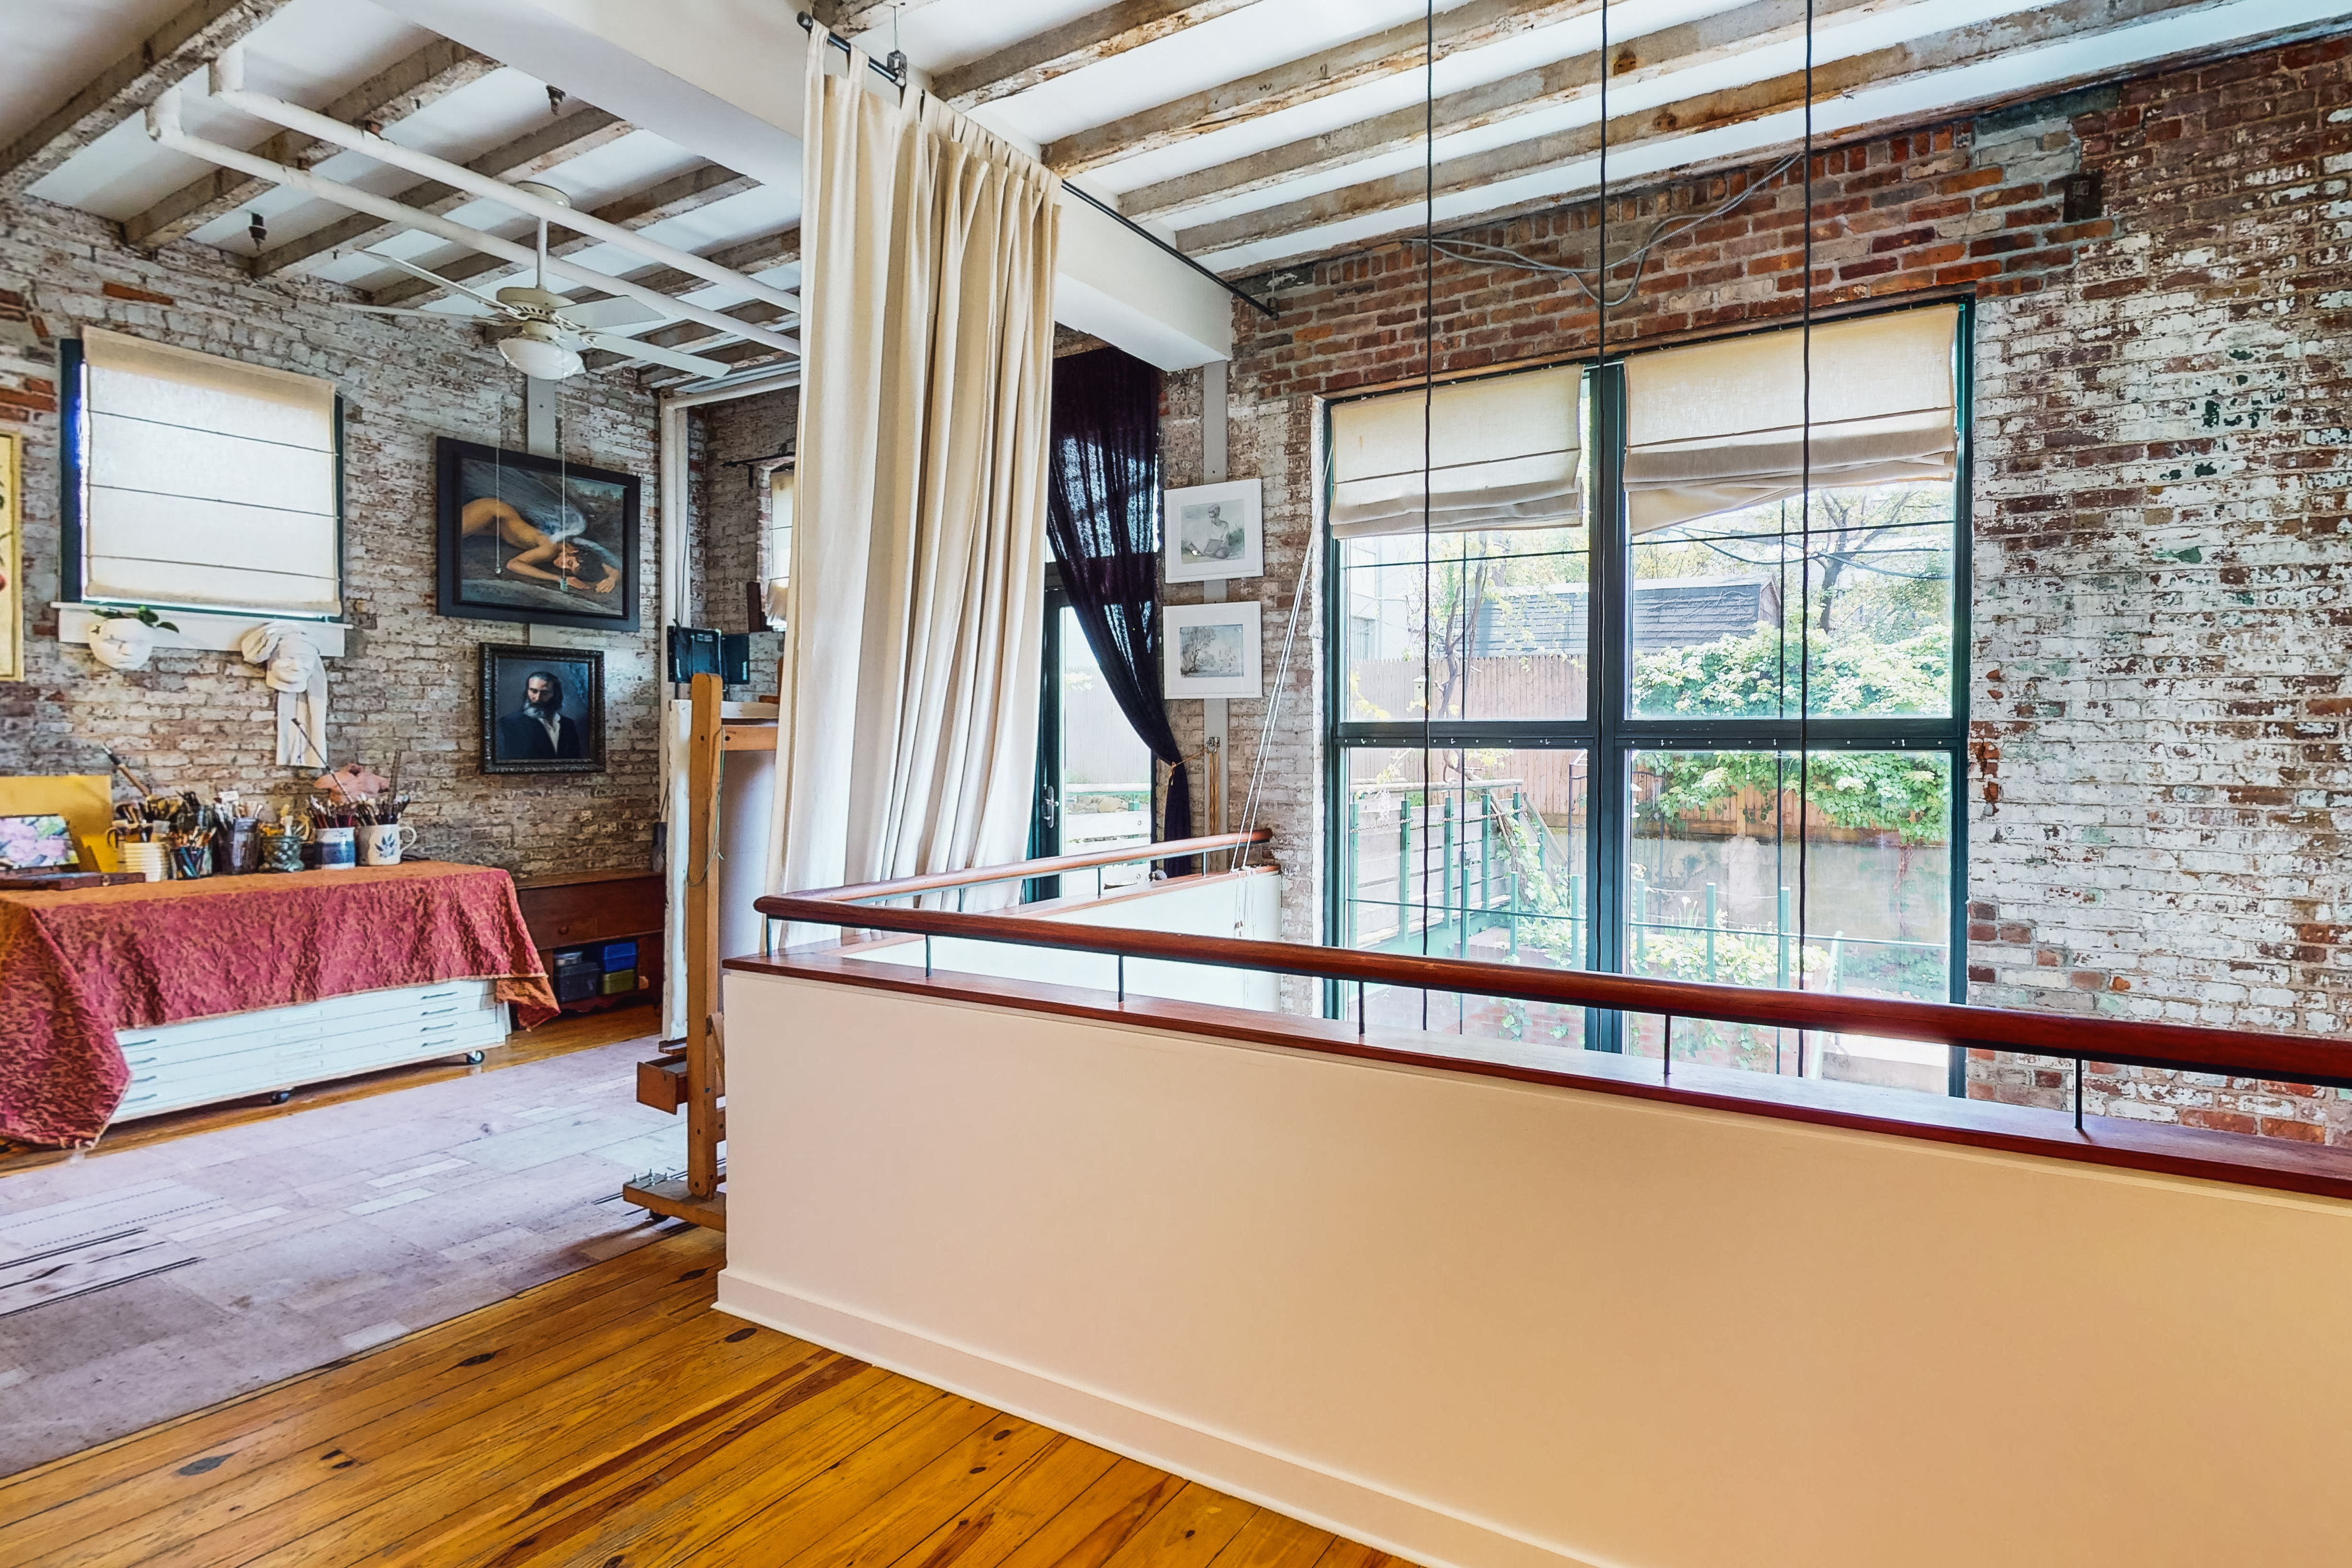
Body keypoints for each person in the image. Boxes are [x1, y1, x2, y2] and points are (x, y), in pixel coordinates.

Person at [459, 495, 621, 595]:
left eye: (568, 569)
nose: (563, 566)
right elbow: (513, 565)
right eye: (569, 563)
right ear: (573, 551)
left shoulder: (569, 546)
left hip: (496, 525)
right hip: (491, 511)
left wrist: (612, 578)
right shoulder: (549, 549)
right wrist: (560, 579)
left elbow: (602, 564)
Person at [496, 669, 585, 761]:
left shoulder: (568, 724)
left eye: (545, 693)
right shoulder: (510, 724)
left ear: (556, 694)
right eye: (533, 691)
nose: (538, 698)